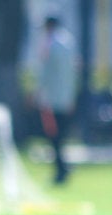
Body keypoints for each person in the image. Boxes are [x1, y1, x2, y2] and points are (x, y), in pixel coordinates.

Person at [35, 13, 77, 185]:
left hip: (51, 98)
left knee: (54, 136)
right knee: (61, 136)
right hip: (66, 96)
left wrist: (38, 92)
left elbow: (45, 73)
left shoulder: (49, 43)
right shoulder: (68, 42)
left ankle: (61, 169)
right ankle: (63, 167)